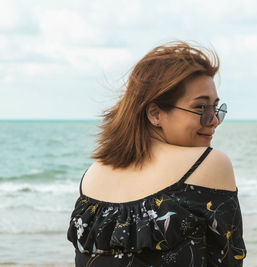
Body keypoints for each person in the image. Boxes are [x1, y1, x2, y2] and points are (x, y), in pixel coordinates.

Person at [67, 40, 247, 266]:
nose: (213, 121)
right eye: (201, 108)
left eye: (216, 109)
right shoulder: (208, 163)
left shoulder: (92, 175)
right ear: (155, 113)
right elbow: (229, 260)